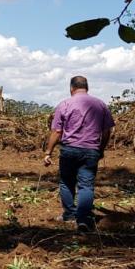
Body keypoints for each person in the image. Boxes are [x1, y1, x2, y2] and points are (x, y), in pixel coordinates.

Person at [43, 75, 114, 232]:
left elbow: (57, 131)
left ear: (71, 88)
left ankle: (69, 215)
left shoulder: (65, 104)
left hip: (69, 150)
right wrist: (100, 149)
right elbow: (107, 130)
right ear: (87, 87)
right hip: (91, 150)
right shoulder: (100, 104)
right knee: (86, 185)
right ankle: (84, 219)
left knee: (66, 182)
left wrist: (48, 152)